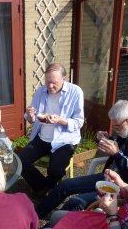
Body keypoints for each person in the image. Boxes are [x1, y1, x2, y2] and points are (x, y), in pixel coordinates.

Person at [35, 100, 128, 219]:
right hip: (108, 177)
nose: (115, 129)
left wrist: (116, 154)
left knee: (76, 202)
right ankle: (35, 215)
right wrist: (109, 139)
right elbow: (122, 148)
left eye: (116, 126)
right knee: (64, 185)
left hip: (125, 190)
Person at [18, 63, 84, 192]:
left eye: (54, 83)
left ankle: (46, 187)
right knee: (19, 162)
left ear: (64, 79)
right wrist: (30, 115)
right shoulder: (41, 91)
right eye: (47, 82)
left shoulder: (75, 92)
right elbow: (30, 118)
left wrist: (61, 120)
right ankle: (44, 187)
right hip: (43, 138)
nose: (50, 86)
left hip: (64, 140)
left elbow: (78, 122)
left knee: (55, 170)